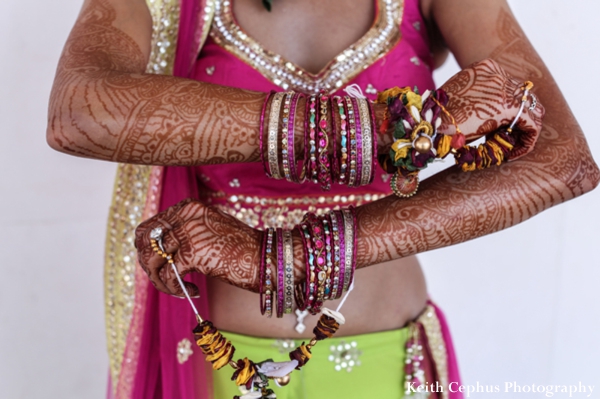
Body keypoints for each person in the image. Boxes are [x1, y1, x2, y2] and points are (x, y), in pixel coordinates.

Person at [46, 0, 599, 398]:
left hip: (387, 356)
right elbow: (77, 110)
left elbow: (562, 158)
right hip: (219, 365)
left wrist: (285, 260)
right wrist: (379, 128)